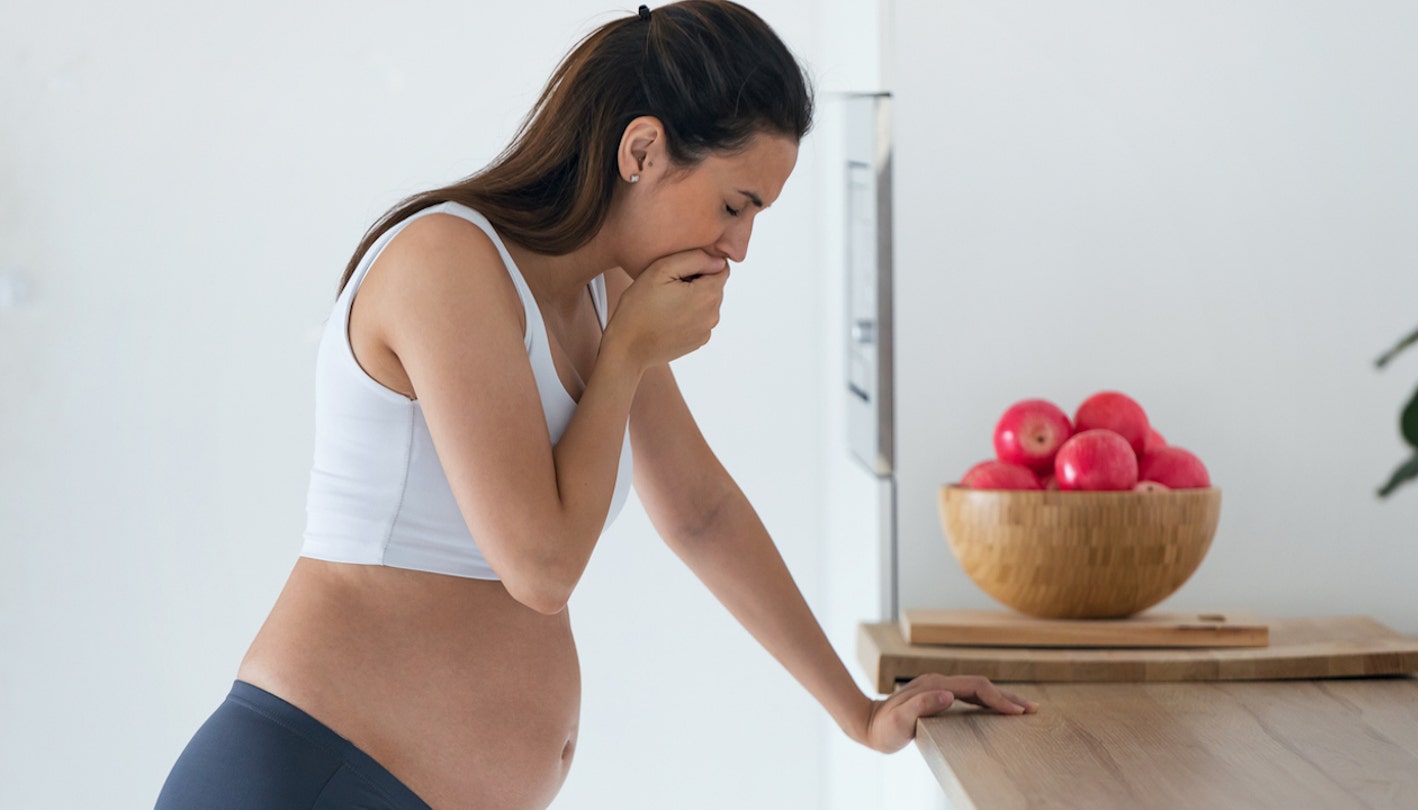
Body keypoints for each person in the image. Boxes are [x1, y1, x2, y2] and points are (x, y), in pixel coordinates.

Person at [155, 2, 1037, 807]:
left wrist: (860, 712)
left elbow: (700, 512)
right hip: (312, 777)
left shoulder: (607, 296)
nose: (739, 246)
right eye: (736, 205)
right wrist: (625, 360)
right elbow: (539, 568)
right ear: (642, 150)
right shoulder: (447, 265)